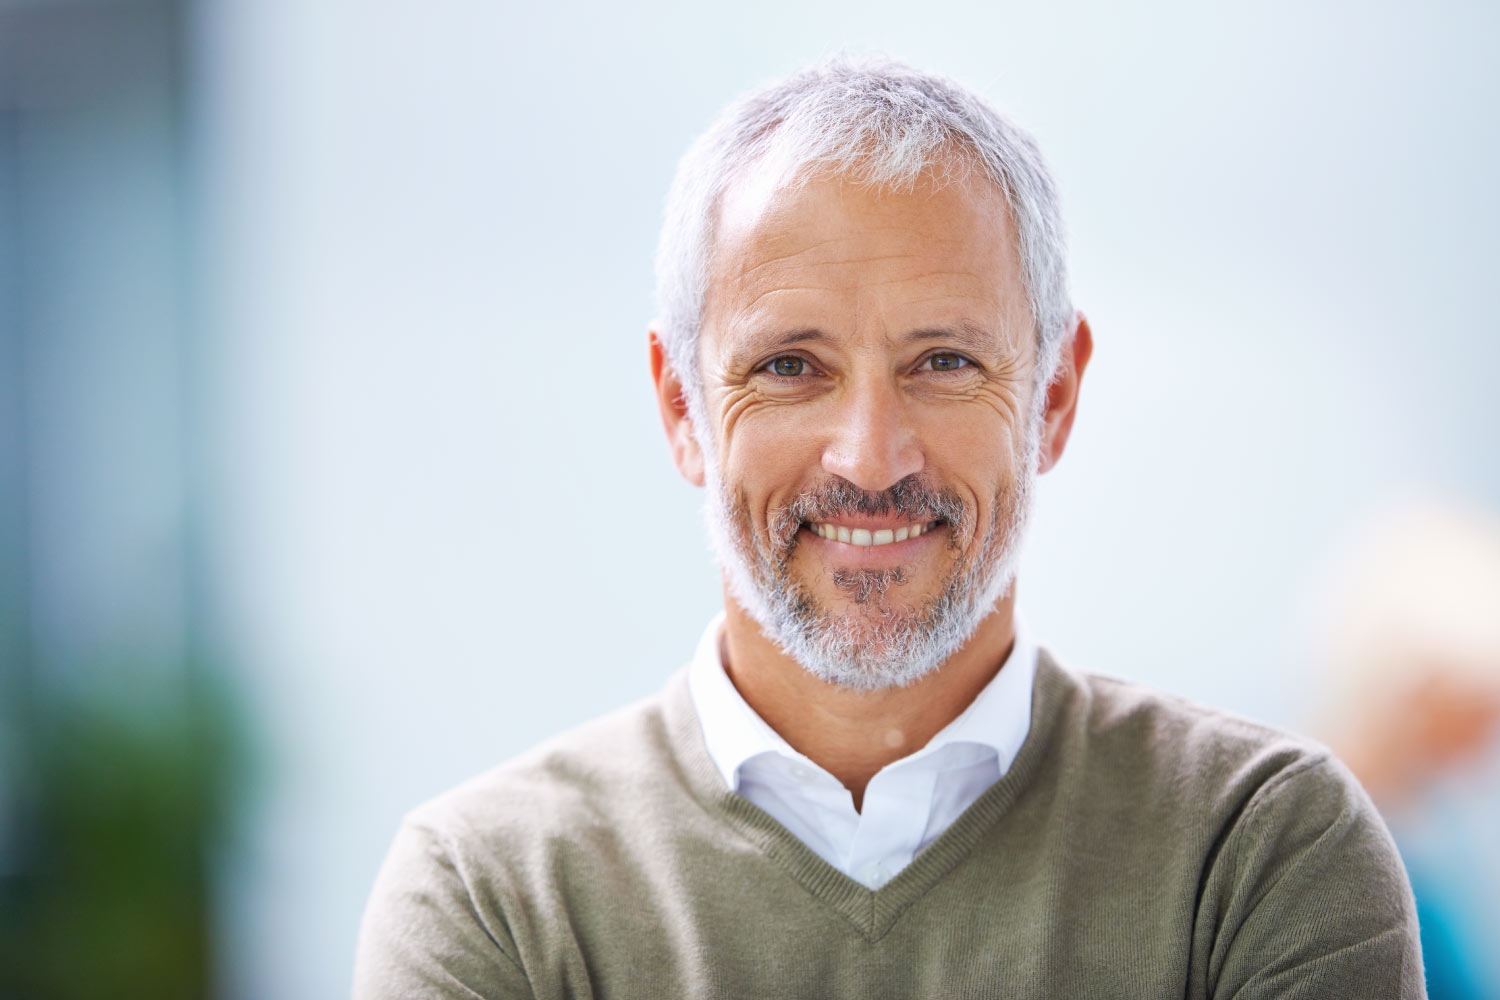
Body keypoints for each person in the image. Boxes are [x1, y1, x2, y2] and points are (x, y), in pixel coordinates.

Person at [353, 56, 1424, 999]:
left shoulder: (1256, 853)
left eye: (944, 363)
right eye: (790, 366)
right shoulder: (494, 891)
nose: (871, 456)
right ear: (683, 406)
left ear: (1052, 397)